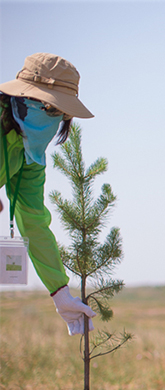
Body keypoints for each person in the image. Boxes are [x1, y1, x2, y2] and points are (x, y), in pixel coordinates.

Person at [0, 53, 96, 336]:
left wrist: (60, 293)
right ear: (22, 98)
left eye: (62, 113)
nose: (56, 119)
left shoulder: (30, 155)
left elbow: (34, 222)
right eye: (49, 108)